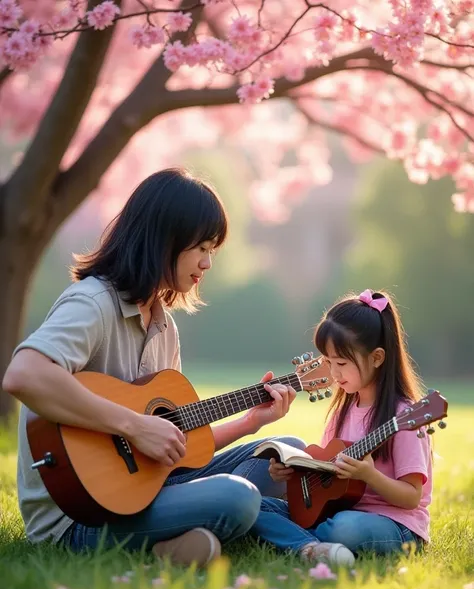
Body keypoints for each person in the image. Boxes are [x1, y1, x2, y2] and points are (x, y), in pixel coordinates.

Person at [2, 167, 305, 568]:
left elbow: (176, 448)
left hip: (148, 486)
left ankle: (168, 545)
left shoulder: (165, 327)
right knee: (239, 497)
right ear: (165, 239)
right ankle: (184, 533)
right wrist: (134, 425)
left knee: (287, 455)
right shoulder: (92, 302)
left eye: (213, 250)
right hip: (78, 515)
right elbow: (23, 374)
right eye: (202, 247)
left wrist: (250, 423)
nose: (208, 263)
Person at [250, 289, 432, 568]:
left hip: (395, 525)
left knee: (345, 528)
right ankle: (311, 547)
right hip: (338, 511)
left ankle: (299, 541)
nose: (333, 374)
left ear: (377, 357)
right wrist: (289, 474)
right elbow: (327, 474)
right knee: (252, 505)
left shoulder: (405, 416)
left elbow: (411, 498)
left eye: (342, 364)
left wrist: (369, 475)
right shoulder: (342, 411)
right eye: (328, 362)